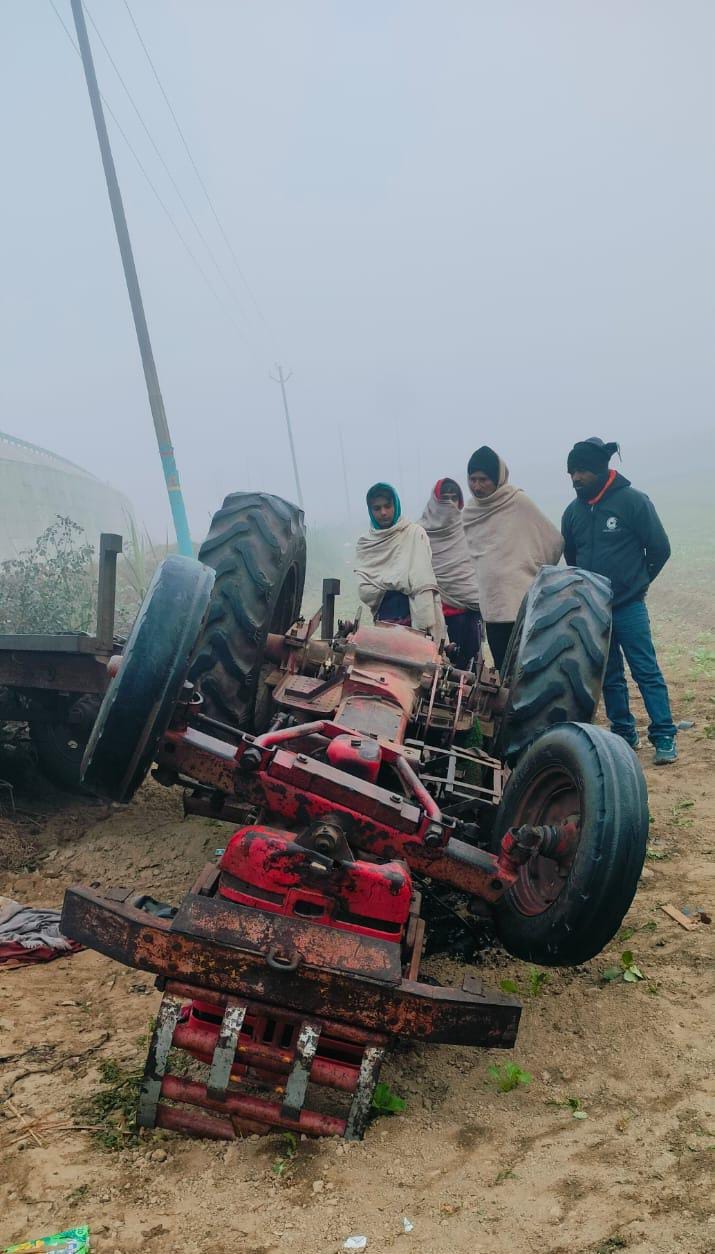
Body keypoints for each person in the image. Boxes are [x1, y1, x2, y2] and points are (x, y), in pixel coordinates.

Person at [562, 437, 677, 764]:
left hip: (629, 607)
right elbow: (572, 557)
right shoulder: (572, 513)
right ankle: (624, 732)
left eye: (582, 471)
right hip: (595, 612)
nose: (576, 478)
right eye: (571, 472)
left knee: (645, 670)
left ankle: (664, 735)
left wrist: (637, 583)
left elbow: (660, 548)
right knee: (609, 675)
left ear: (600, 470)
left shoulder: (632, 502)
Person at [463, 446, 564, 672]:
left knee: (528, 671)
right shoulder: (470, 512)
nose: (477, 486)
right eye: (472, 479)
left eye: (484, 479)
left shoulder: (518, 502)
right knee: (503, 671)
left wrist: (530, 569)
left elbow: (553, 541)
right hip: (492, 608)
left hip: (522, 605)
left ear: (497, 478)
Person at [355, 482, 445, 642]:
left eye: (387, 506)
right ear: (370, 511)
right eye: (377, 508)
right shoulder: (366, 543)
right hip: (385, 618)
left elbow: (422, 581)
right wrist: (402, 583)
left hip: (415, 615)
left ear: (395, 505)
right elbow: (365, 589)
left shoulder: (415, 534)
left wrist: (390, 584)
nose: (383, 512)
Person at [419, 478, 481, 668]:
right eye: (445, 498)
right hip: (438, 615)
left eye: (454, 498)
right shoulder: (419, 532)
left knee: (469, 668)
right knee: (439, 667)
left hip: (469, 612)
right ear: (435, 500)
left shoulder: (468, 527)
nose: (450, 503)